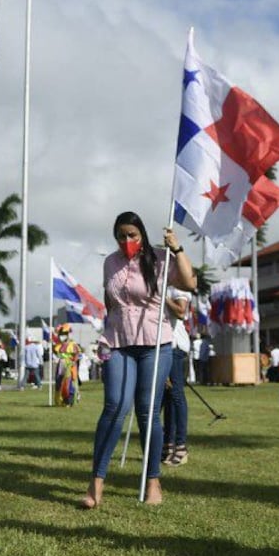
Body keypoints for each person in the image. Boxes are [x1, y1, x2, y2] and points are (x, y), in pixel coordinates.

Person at [82, 211, 195, 509]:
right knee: (114, 406)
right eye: (121, 235)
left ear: (142, 234)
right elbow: (110, 302)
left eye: (132, 234)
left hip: (155, 344)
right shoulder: (110, 262)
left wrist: (177, 249)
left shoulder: (160, 258)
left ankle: (153, 481)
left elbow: (189, 282)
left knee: (147, 411)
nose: (127, 240)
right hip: (118, 342)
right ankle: (96, 483)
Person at [161, 289, 191, 465]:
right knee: (167, 396)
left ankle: (181, 446)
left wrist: (164, 297)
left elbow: (180, 312)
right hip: (159, 346)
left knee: (176, 394)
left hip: (174, 347)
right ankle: (168, 444)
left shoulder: (175, 286)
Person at [52, 323, 83, 407]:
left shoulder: (73, 345)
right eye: (61, 335)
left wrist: (73, 362)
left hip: (70, 365)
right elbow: (56, 352)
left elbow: (77, 355)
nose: (62, 336)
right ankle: (60, 401)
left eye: (64, 335)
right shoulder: (58, 345)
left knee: (69, 382)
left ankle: (69, 400)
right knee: (59, 382)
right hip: (61, 365)